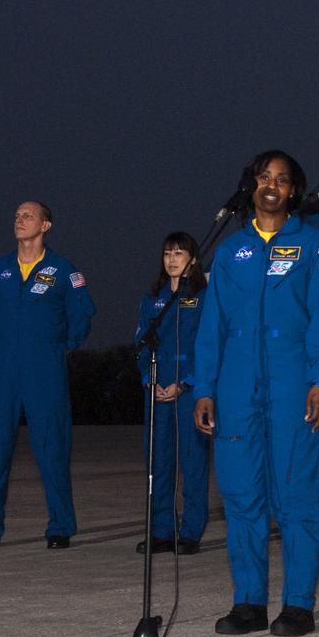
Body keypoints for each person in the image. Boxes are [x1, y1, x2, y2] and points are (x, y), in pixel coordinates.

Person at [193, 150, 319, 637]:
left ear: (293, 191)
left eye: (281, 179)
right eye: (264, 177)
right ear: (252, 186)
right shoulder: (229, 252)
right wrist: (204, 388)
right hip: (236, 389)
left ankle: (298, 605)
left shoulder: (314, 245)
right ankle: (249, 603)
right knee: (241, 496)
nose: (271, 185)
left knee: (296, 496)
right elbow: (212, 327)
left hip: (292, 384)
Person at [0, 201, 96, 551]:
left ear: (45, 225)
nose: (20, 220)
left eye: (28, 216)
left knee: (52, 446)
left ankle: (60, 526)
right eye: (17, 216)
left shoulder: (63, 269)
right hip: (4, 369)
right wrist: (7, 340)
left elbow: (82, 312)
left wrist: (61, 345)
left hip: (45, 369)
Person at [133, 231, 210, 555]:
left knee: (193, 463)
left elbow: (209, 347)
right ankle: (162, 531)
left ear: (192, 259)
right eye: (167, 253)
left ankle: (190, 532)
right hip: (158, 389)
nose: (172, 259)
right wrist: (149, 380)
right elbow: (141, 344)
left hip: (189, 389)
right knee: (158, 462)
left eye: (179, 253)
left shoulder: (204, 297)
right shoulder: (152, 298)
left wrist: (185, 383)